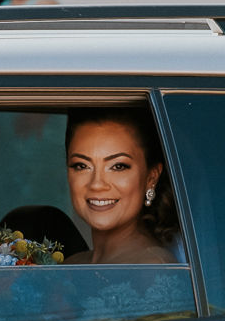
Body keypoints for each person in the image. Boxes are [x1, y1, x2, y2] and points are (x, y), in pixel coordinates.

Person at [63, 107, 179, 264]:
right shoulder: (72, 265)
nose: (97, 184)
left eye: (118, 166)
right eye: (81, 166)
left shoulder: (152, 268)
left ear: (151, 177)